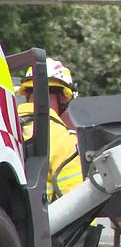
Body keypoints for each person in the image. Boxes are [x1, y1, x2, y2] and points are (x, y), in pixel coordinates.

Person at [17, 57, 83, 202]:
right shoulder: (61, 139)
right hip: (43, 223)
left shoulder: (9, 129)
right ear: (65, 98)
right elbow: (77, 199)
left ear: (27, 94)